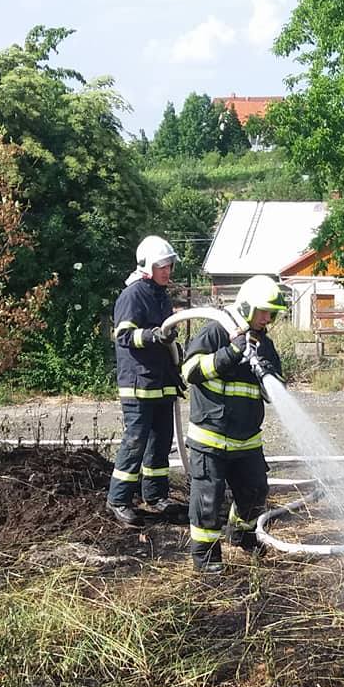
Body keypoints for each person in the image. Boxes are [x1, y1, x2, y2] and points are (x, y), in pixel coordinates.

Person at [179, 275, 286, 575]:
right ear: (247, 306)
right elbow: (189, 371)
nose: (267, 318)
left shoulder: (264, 343)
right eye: (263, 311)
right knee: (208, 501)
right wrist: (231, 353)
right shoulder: (216, 331)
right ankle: (206, 558)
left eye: (272, 312)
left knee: (254, 491)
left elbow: (276, 392)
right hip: (210, 438)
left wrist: (268, 375)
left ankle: (242, 536)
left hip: (247, 440)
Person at [108, 235, 185, 527]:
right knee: (135, 442)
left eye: (169, 265)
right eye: (162, 265)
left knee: (161, 443)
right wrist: (155, 335)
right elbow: (124, 336)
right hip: (138, 385)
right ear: (147, 266)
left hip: (161, 383)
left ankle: (155, 497)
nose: (168, 270)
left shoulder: (160, 295)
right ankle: (119, 499)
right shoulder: (133, 295)